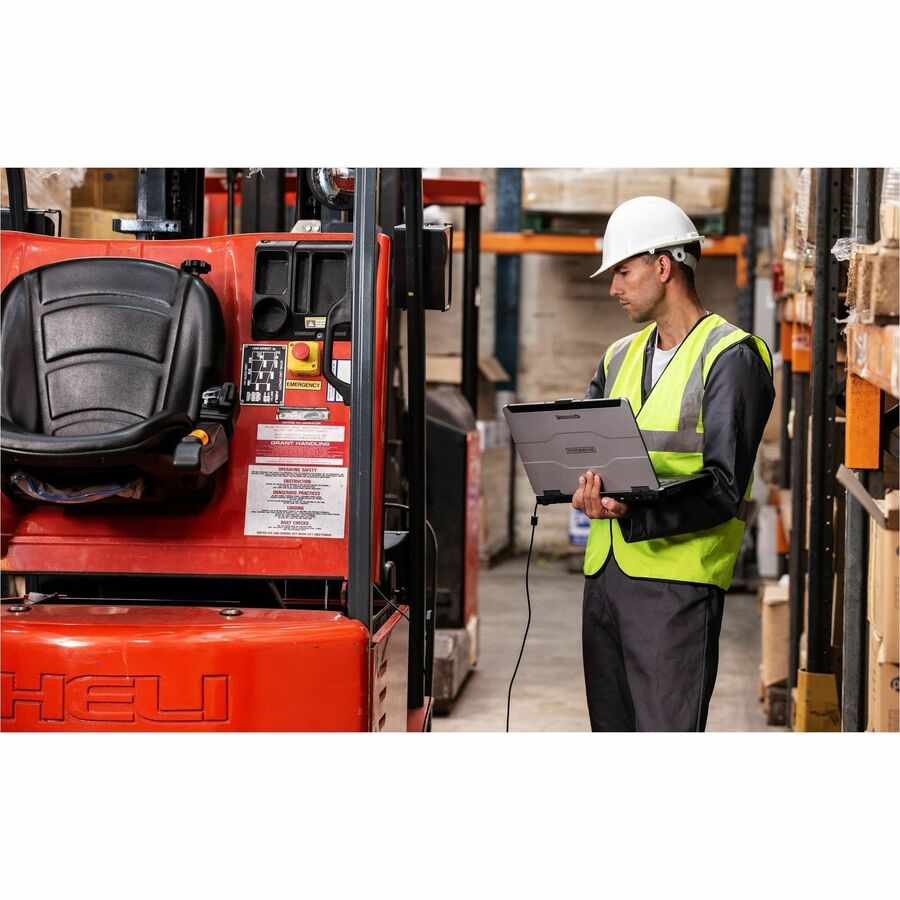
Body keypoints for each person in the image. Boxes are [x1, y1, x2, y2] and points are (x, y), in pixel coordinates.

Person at [572, 195, 775, 732]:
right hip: (605, 577)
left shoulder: (731, 356)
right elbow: (585, 445)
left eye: (623, 272)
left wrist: (635, 510)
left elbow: (724, 486)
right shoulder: (618, 355)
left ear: (663, 266)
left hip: (676, 585)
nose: (613, 288)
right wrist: (571, 478)